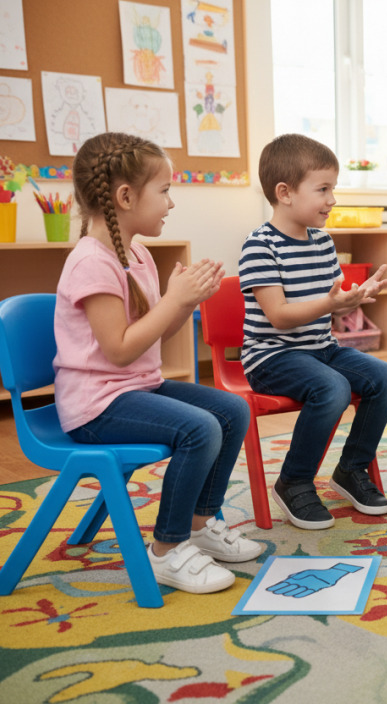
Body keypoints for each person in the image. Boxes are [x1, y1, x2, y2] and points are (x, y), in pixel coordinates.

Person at [54, 132, 260, 595]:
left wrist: (184, 304)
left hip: (133, 389)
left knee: (232, 411)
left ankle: (199, 522)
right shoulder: (92, 262)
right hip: (95, 405)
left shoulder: (138, 254)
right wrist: (174, 301)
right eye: (164, 190)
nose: (171, 202)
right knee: (199, 428)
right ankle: (166, 549)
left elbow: (155, 336)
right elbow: (120, 349)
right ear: (125, 197)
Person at [240, 134, 387, 530]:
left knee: (386, 377)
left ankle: (351, 469)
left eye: (333, 188)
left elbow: (332, 297)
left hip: (320, 347)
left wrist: (356, 296)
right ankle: (293, 481)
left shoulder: (323, 242)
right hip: (272, 355)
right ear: (285, 193)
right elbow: (278, 316)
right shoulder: (260, 247)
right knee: (331, 388)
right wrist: (334, 303)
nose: (332, 199)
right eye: (323, 189)